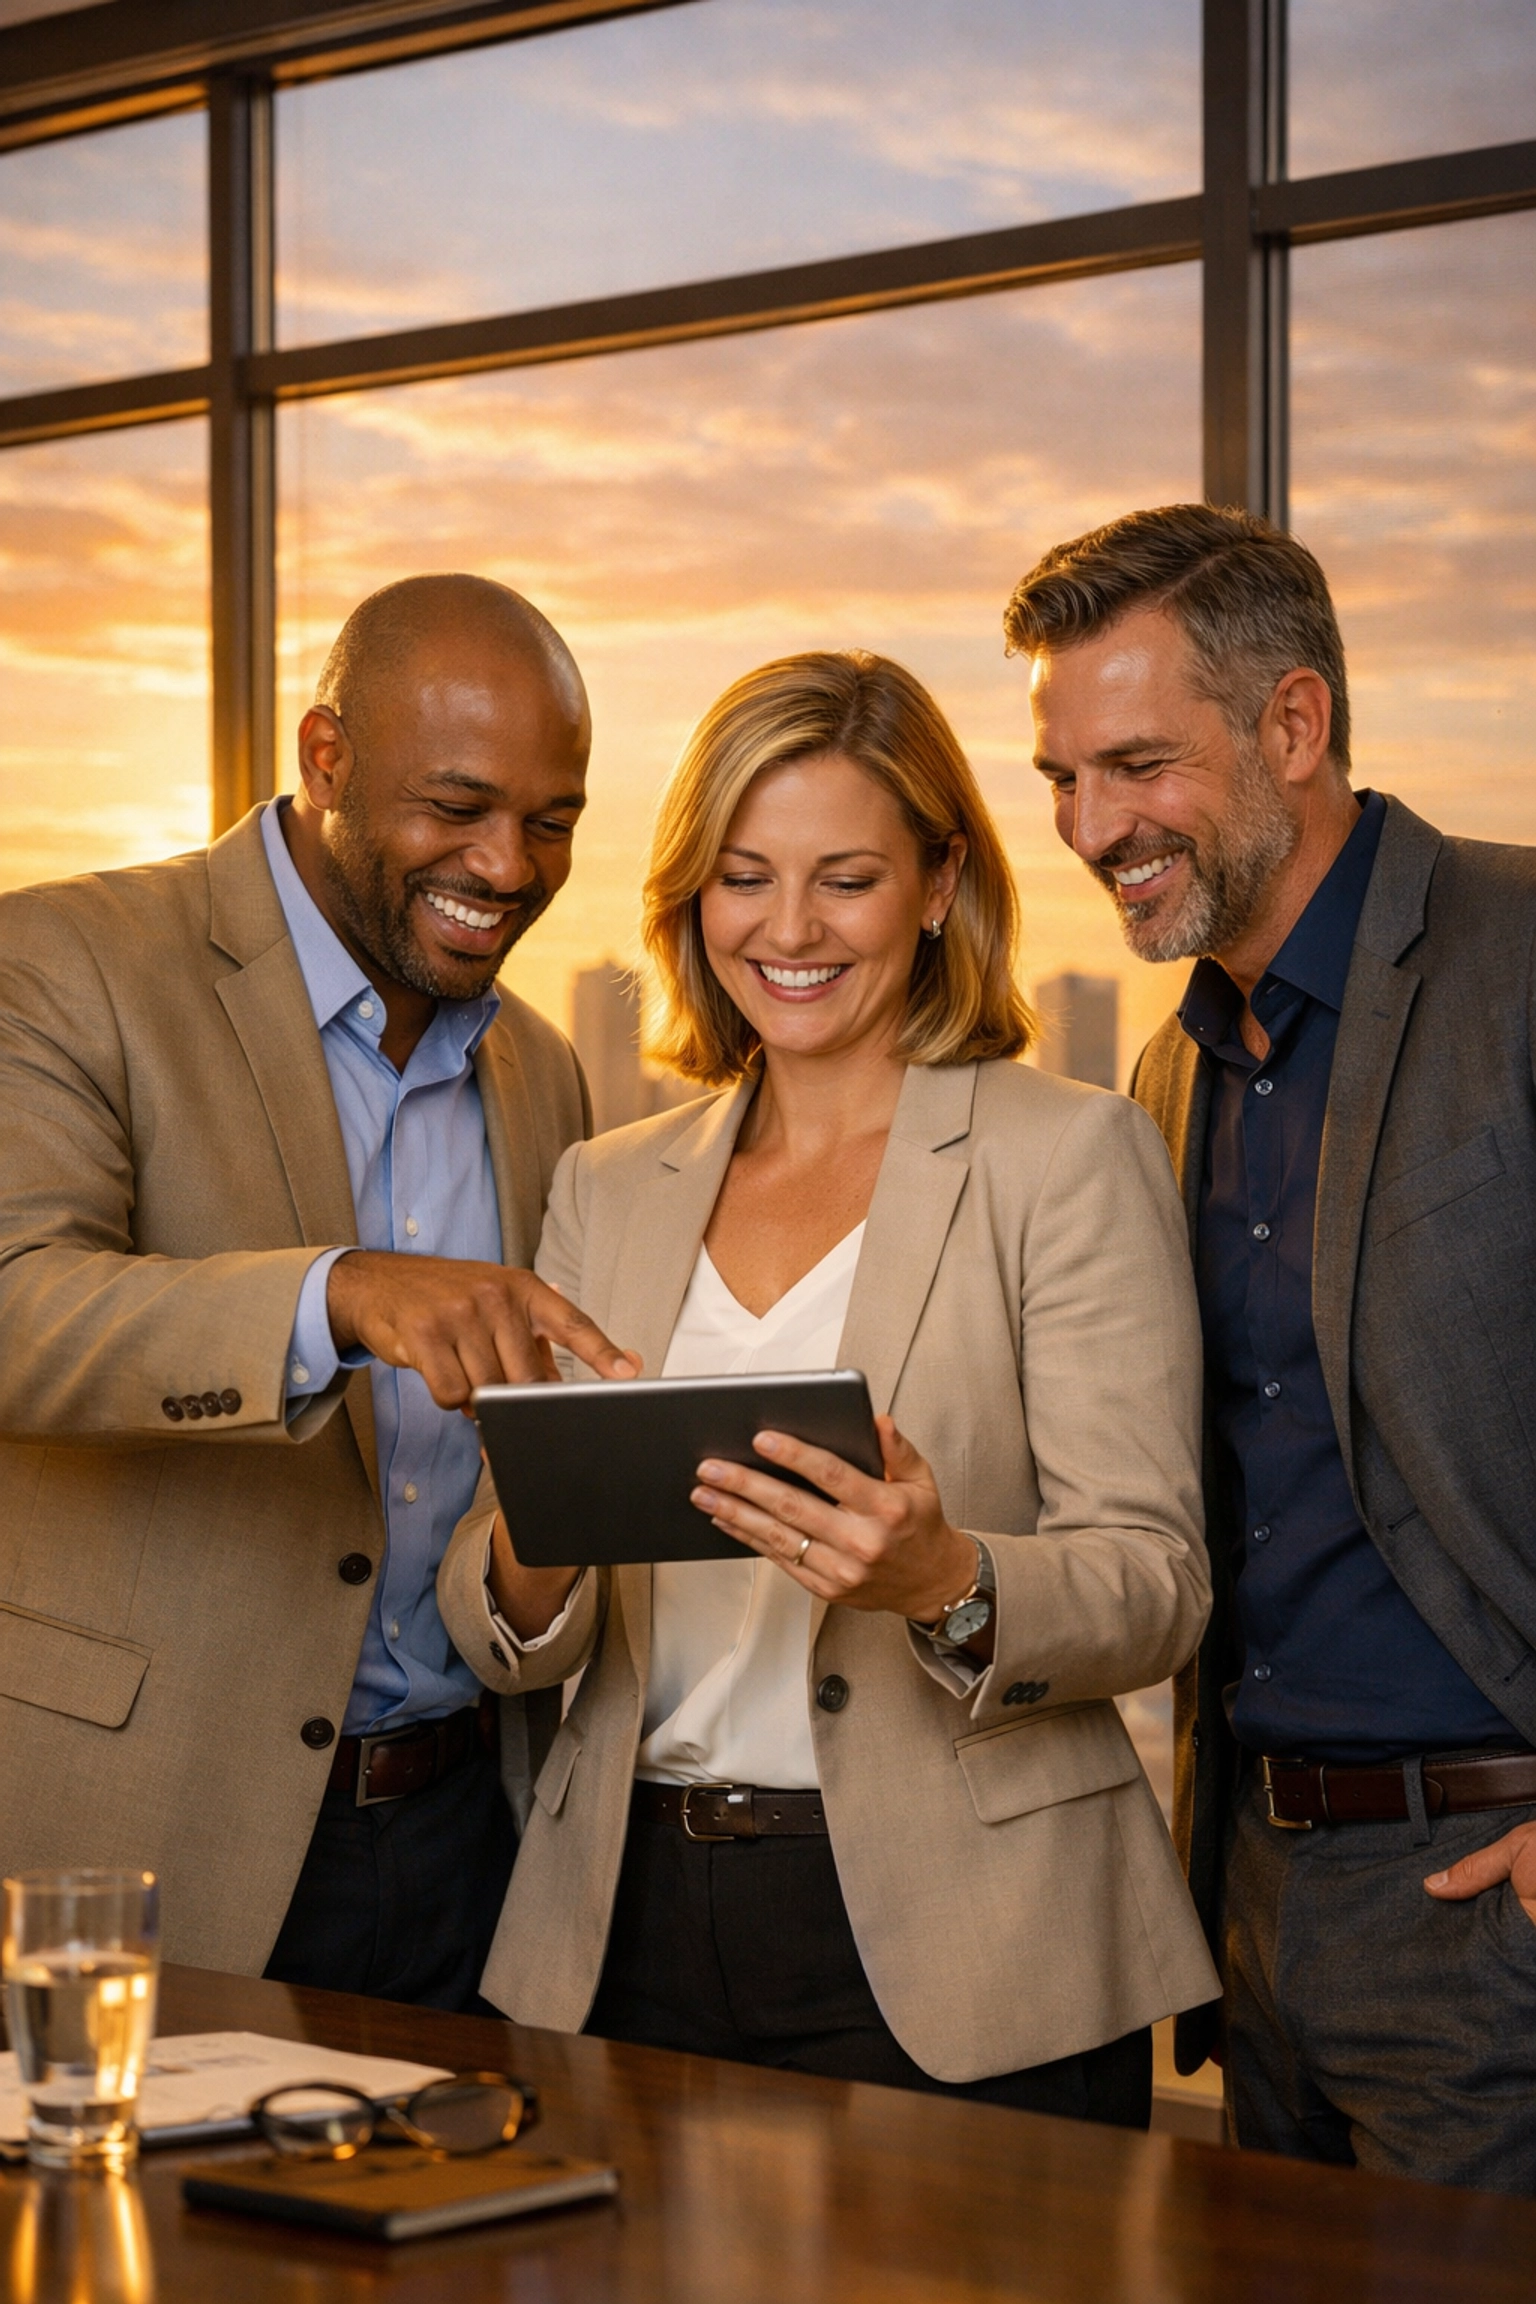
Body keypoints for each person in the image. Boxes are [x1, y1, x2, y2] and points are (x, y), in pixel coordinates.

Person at [438, 649, 1218, 2122]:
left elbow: (1159, 1583)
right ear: (691, 896)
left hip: (974, 1943)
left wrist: (944, 1576)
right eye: (744, 876)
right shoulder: (606, 1186)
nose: (788, 930)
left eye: (845, 879)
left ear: (936, 885)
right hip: (620, 1929)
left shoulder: (1067, 1157)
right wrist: (536, 1533)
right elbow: (513, 1637)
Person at [0, 573, 634, 2008]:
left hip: (469, 1849)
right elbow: (13, 1307)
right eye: (458, 806)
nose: (511, 865)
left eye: (552, 821)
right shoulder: (59, 961)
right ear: (324, 756)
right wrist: (331, 1298)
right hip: (149, 1831)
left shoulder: (548, 1066)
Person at [1007, 502, 1536, 2193]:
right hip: (1256, 1903)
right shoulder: (1166, 1082)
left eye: (1139, 765)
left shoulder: (1521, 954)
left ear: (1293, 726)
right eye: (1064, 779)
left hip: (1494, 1894)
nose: (1093, 827)